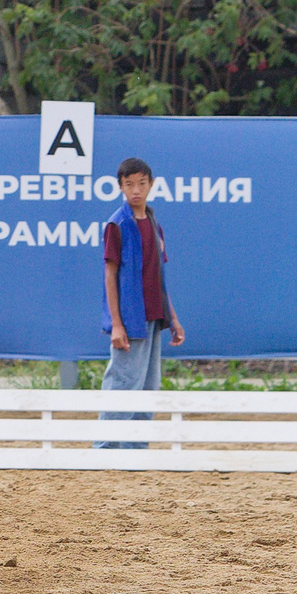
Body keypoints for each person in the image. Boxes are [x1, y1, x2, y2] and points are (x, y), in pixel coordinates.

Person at [97, 155, 185, 449]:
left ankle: (135, 451)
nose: (136, 190)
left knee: (149, 386)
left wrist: (172, 319)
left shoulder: (155, 224)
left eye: (142, 183)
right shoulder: (116, 224)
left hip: (154, 316)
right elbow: (110, 275)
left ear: (151, 185)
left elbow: (158, 275)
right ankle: (105, 450)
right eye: (129, 184)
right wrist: (117, 324)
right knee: (123, 382)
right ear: (121, 187)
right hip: (130, 319)